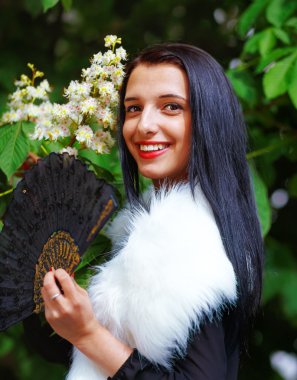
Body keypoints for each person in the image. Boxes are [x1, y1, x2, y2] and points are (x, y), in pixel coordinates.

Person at [39, 43, 263, 380]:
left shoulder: (191, 238)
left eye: (171, 107)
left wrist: (89, 334)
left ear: (208, 118)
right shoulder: (139, 228)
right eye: (132, 108)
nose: (143, 125)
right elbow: (63, 351)